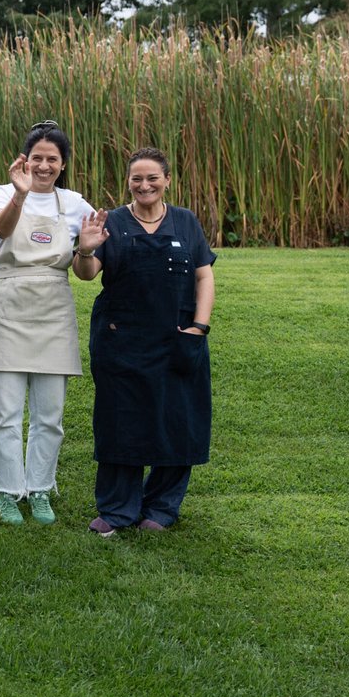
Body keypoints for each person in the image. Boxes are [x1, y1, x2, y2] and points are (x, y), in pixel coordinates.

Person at [73, 147, 215, 536]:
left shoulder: (186, 222)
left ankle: (162, 507)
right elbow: (86, 274)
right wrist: (85, 248)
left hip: (176, 341)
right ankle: (118, 509)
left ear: (167, 180)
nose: (144, 185)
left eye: (152, 177)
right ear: (128, 182)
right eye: (137, 178)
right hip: (121, 343)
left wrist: (199, 327)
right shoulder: (113, 222)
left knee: (176, 422)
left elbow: (204, 276)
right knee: (121, 423)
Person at [0, 120, 96, 526]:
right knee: (5, 412)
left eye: (52, 160)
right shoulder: (4, 193)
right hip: (7, 305)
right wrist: (21, 195)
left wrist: (88, 250)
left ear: (63, 165)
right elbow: (3, 231)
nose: (44, 166)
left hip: (53, 310)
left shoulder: (76, 204)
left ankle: (41, 488)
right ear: (25, 160)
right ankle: (7, 491)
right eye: (37, 158)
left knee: (50, 414)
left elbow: (87, 270)